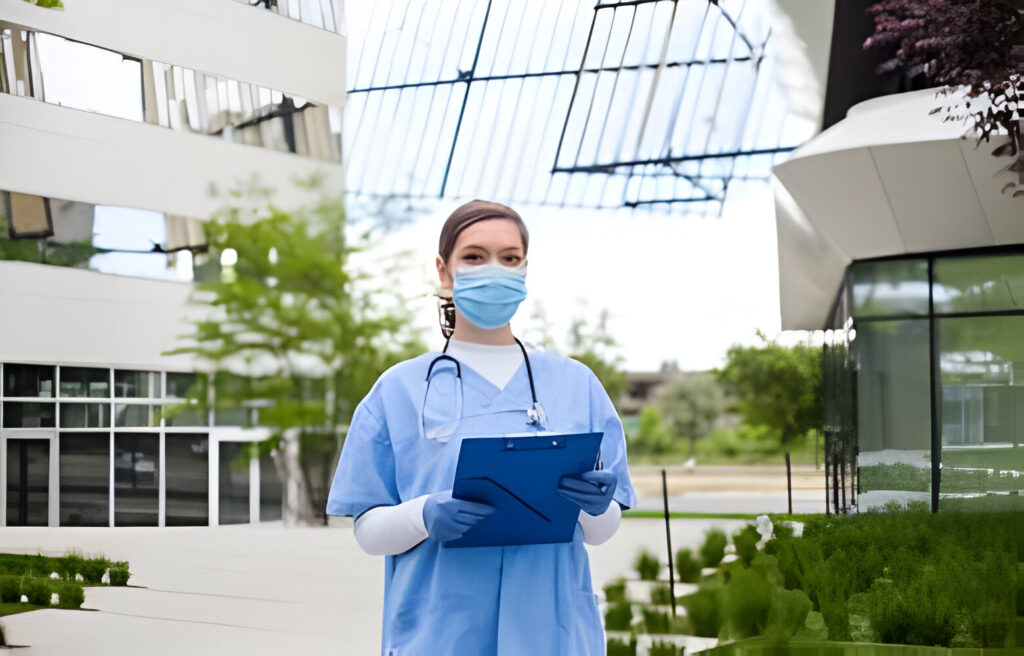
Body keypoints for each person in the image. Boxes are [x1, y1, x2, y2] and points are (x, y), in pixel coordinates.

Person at [326, 199, 635, 656]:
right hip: (441, 636)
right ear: (444, 271)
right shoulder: (399, 389)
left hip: (552, 636)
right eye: (474, 256)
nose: (494, 268)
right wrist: (424, 514)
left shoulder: (576, 384)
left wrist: (598, 505)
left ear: (525, 269)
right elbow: (368, 530)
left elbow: (599, 532)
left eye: (509, 258)